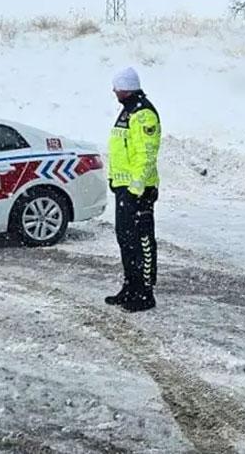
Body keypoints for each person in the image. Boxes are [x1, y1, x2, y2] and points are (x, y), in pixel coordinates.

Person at [105, 66, 160, 312]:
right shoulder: (127, 111)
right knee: (125, 240)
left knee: (142, 241)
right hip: (124, 188)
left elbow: (146, 155)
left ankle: (145, 293)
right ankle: (130, 286)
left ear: (125, 88)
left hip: (139, 190)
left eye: (116, 86)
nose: (114, 91)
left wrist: (136, 189)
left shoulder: (143, 114)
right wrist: (116, 181)